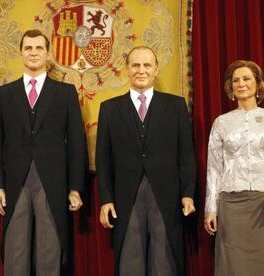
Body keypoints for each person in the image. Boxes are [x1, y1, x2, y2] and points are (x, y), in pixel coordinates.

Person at [0, 29, 86, 275]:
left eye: (38, 48)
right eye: (28, 48)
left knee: (49, 250)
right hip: (15, 181)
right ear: (20, 53)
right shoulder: (4, 93)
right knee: (15, 249)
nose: (33, 53)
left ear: (48, 53)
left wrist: (75, 187)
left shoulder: (65, 93)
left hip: (52, 182)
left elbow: (76, 142)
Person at [96, 46, 196, 275]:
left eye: (147, 65)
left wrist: (188, 194)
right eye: (136, 65)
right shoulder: (109, 109)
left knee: (164, 261)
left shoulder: (176, 106)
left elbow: (186, 156)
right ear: (127, 69)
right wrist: (106, 199)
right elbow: (103, 160)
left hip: (166, 195)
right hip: (125, 196)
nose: (141, 70)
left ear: (156, 69)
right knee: (130, 261)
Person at [204, 60, 264, 275]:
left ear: (258, 84)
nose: (241, 83)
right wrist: (211, 208)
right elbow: (214, 168)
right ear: (231, 88)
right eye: (236, 80)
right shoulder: (221, 123)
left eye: (246, 78)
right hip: (232, 206)